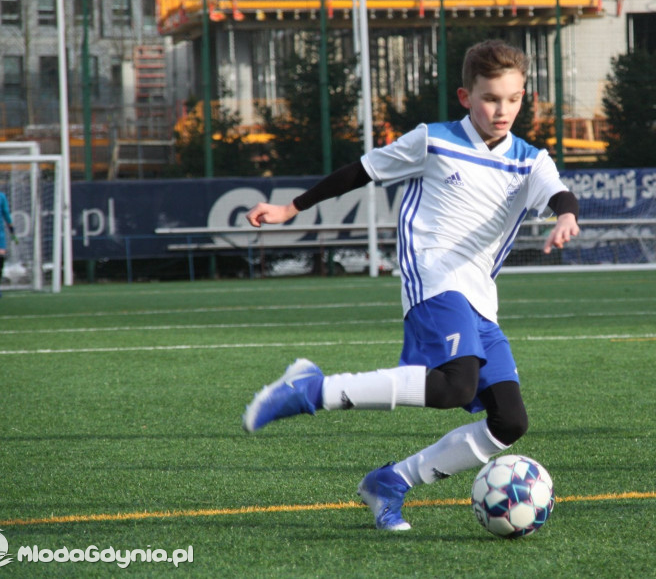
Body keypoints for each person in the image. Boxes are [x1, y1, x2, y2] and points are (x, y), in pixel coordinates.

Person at [241, 39, 580, 530]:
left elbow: (559, 193)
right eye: (489, 98)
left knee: (509, 422)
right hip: (434, 275)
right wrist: (290, 208)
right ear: (466, 97)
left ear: (524, 96)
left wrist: (565, 216)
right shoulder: (433, 140)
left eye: (511, 98)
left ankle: (391, 482)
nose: (501, 109)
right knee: (454, 385)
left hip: (480, 296)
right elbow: (361, 171)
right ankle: (311, 390)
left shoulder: (530, 160)